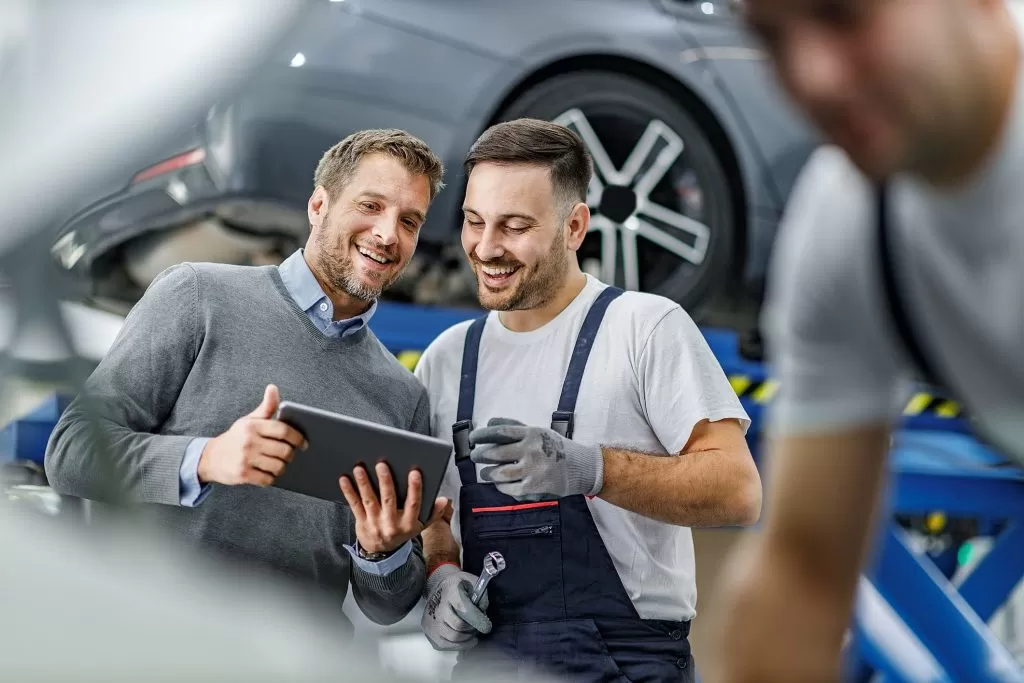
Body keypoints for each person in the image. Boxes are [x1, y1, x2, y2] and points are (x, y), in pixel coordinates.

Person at [708, 0, 1024, 681]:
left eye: (843, 14)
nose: (813, 75)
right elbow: (803, 572)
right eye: (771, 38)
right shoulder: (849, 222)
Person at [44, 128, 449, 629]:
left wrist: (380, 552)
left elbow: (386, 607)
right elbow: (71, 452)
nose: (388, 234)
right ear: (318, 206)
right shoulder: (197, 296)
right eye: (370, 206)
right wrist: (206, 459)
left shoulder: (402, 394)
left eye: (409, 221)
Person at [412, 118, 763, 682]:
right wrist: (440, 573)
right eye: (474, 221)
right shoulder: (447, 359)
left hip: (624, 664)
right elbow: (435, 516)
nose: (487, 246)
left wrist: (592, 469)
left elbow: (738, 491)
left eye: (515, 226)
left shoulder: (644, 328)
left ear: (574, 226)